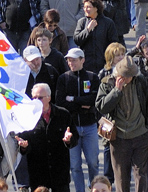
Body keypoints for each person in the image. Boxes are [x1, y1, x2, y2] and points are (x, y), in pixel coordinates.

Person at [96, 56, 148, 192]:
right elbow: (101, 107)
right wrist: (117, 91)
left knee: (141, 175)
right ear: (118, 74)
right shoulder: (107, 83)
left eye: (131, 76)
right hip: (119, 138)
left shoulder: (140, 81)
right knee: (121, 177)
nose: (129, 79)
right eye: (126, 76)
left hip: (140, 135)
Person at [15, 82, 78, 192]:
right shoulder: (27, 117)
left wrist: (69, 140)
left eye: (40, 97)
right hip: (38, 174)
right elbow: (23, 145)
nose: (36, 100)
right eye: (34, 98)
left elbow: (75, 139)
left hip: (59, 173)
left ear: (49, 97)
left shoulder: (63, 114)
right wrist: (23, 146)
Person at [56, 47, 100, 192]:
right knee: (75, 165)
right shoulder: (64, 78)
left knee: (93, 162)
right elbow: (61, 103)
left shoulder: (93, 77)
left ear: (83, 60)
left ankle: (93, 186)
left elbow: (93, 100)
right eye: (69, 60)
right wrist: (82, 104)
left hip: (90, 126)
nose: (71, 63)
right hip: (72, 127)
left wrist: (73, 100)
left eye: (74, 60)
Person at [73, 0, 118, 74]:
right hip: (86, 64)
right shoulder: (82, 22)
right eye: (84, 7)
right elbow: (77, 40)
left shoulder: (108, 23)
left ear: (96, 8)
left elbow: (113, 43)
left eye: (88, 7)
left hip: (103, 64)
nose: (85, 9)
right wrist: (87, 29)